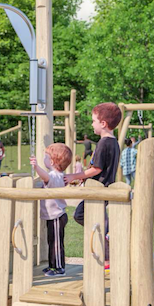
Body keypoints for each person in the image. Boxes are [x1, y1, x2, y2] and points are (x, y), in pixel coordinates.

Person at [66, 103, 122, 263]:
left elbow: (96, 169)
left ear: (103, 124)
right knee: (96, 221)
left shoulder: (104, 143)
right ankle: (107, 256)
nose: (92, 124)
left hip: (98, 190)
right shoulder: (114, 143)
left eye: (94, 121)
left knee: (80, 215)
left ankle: (109, 234)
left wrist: (74, 176)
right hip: (105, 188)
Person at [30, 143, 72, 277]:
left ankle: (59, 267)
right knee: (52, 241)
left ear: (52, 161)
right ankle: (52, 265)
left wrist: (36, 167)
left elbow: (45, 177)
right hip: (53, 216)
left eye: (46, 156)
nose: (44, 158)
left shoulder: (55, 176)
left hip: (56, 216)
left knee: (56, 243)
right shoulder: (57, 175)